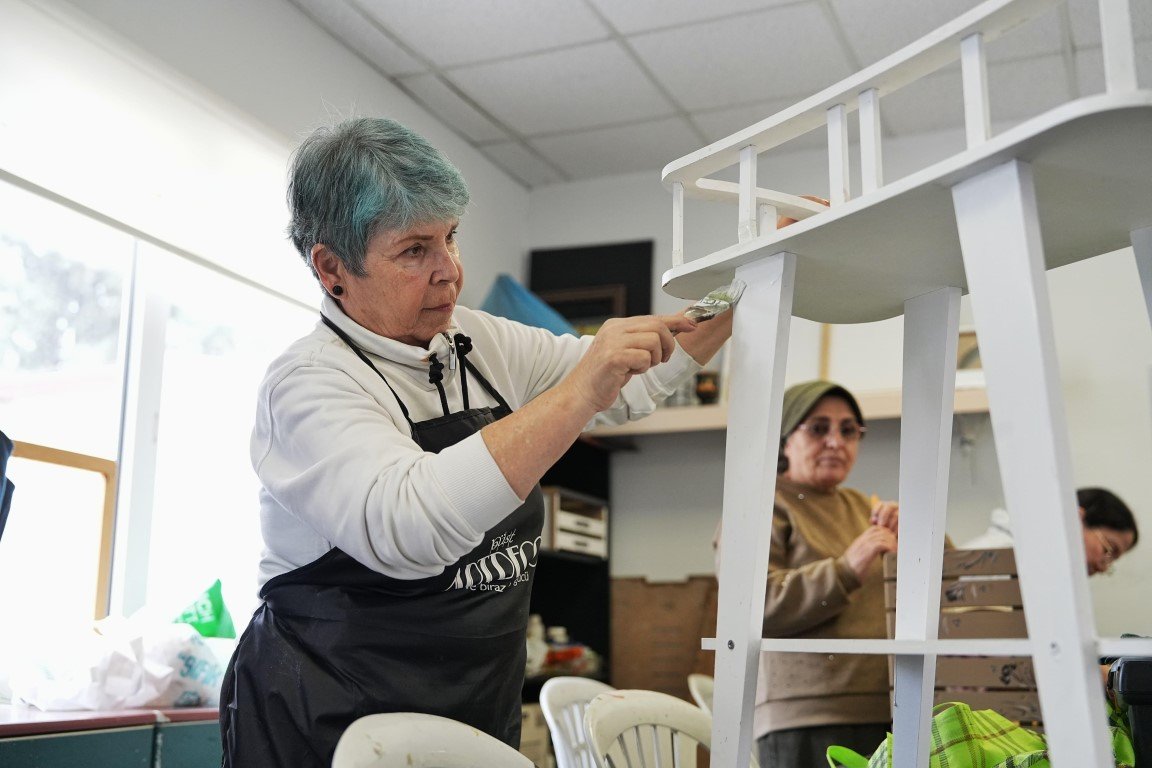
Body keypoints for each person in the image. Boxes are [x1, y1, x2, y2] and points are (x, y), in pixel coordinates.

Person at [218, 117, 733, 767]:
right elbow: (410, 524)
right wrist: (576, 393)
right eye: (414, 250)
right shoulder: (308, 386)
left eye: (451, 238)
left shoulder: (482, 344)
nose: (450, 272)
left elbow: (630, 380)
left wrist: (743, 287)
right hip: (330, 724)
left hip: (469, 714)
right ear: (332, 267)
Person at [716, 379, 899, 768]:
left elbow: (952, 589)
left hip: (893, 704)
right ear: (784, 440)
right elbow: (752, 606)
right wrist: (847, 569)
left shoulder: (865, 506)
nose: (836, 441)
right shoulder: (760, 506)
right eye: (818, 428)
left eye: (849, 430)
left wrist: (917, 538)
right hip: (807, 718)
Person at [963, 486, 1138, 575]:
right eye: (1109, 550)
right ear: (1076, 520)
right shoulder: (994, 559)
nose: (1102, 567)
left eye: (1111, 561)